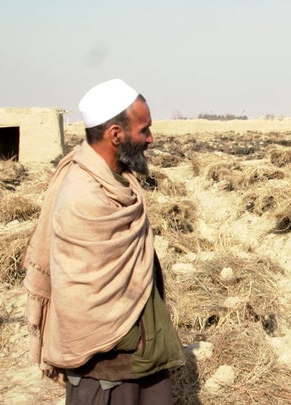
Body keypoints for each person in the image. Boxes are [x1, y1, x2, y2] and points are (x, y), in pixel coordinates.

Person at [22, 78, 185, 404]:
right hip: (104, 368)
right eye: (144, 129)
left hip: (143, 355)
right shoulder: (83, 196)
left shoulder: (119, 181)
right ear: (115, 135)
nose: (151, 138)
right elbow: (87, 299)